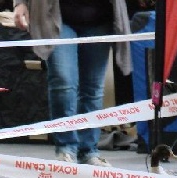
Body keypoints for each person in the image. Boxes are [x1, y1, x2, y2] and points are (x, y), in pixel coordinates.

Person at [13, 0, 131, 166]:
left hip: (100, 19)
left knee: (93, 89)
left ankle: (89, 150)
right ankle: (66, 147)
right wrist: (20, 3)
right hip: (57, 19)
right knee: (63, 82)